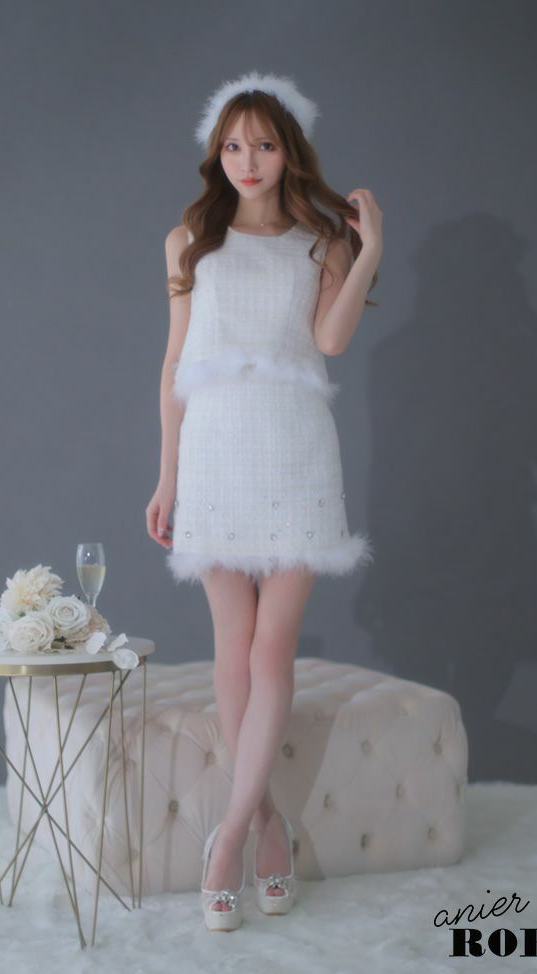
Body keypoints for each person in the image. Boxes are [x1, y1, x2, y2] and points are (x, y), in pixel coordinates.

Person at [145, 70, 383, 931]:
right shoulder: (188, 242)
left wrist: (369, 250)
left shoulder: (320, 241)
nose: (248, 160)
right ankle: (268, 826)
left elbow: (330, 340)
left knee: (271, 651)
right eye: (234, 145)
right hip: (214, 452)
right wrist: (168, 475)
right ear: (217, 153)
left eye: (266, 144)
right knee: (231, 650)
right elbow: (174, 365)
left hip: (294, 450)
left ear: (290, 152)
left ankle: (228, 839)